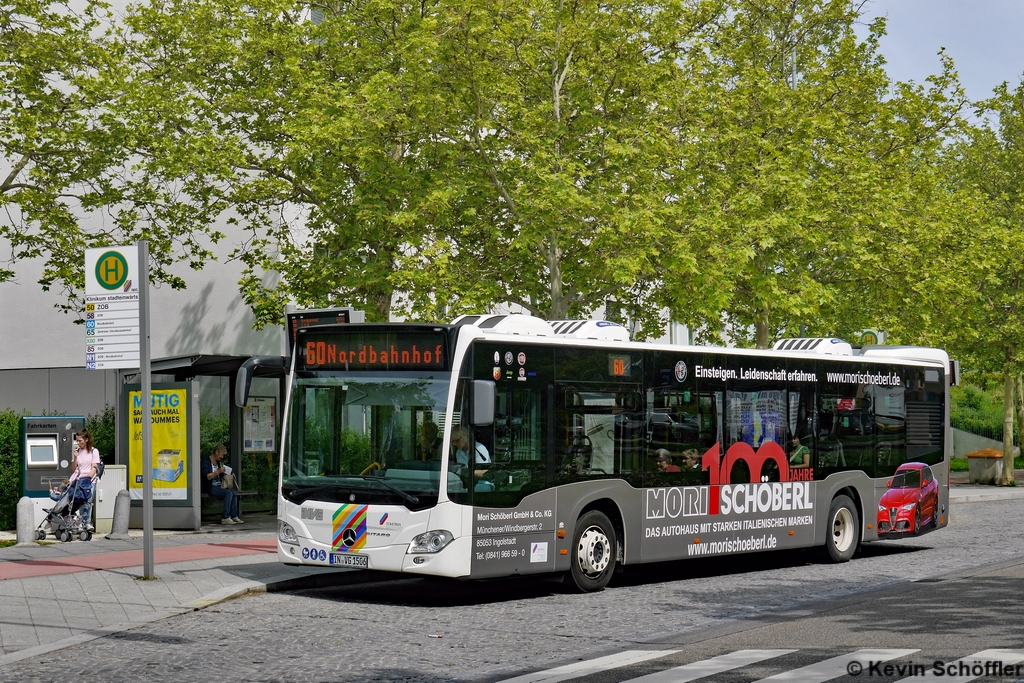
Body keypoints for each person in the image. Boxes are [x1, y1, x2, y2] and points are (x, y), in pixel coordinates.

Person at [202, 444, 243, 525]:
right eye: (222, 455)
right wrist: (218, 471)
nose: (222, 457)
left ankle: (234, 515)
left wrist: (224, 473)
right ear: (217, 452)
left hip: (219, 485)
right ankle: (225, 517)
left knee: (233, 492)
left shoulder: (217, 462)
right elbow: (207, 476)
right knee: (227, 493)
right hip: (209, 486)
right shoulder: (206, 462)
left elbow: (219, 474)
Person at [69, 430, 101, 531]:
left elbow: (94, 467)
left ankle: (86, 522)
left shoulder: (93, 451)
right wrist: (75, 457)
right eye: (77, 441)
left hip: (88, 479)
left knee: (87, 501)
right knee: (75, 500)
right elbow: (74, 468)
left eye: (80, 441)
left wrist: (87, 480)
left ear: (86, 440)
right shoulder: (77, 452)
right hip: (77, 477)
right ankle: (78, 521)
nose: (78, 443)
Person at [451, 427, 493, 491]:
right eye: (453, 442)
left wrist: (466, 472)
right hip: (467, 483)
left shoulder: (479, 449)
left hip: (483, 483)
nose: (455, 444)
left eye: (457, 441)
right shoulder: (458, 452)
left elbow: (484, 472)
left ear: (465, 436)